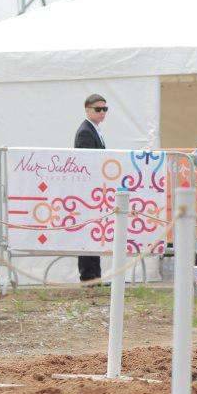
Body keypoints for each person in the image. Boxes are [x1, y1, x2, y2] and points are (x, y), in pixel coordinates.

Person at [71, 94, 109, 282]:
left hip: (94, 188)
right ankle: (88, 276)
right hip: (88, 189)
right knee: (88, 232)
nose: (102, 113)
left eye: (105, 109)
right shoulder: (86, 132)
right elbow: (87, 163)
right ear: (87, 109)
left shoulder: (94, 130)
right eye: (98, 109)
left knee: (94, 232)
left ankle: (94, 275)